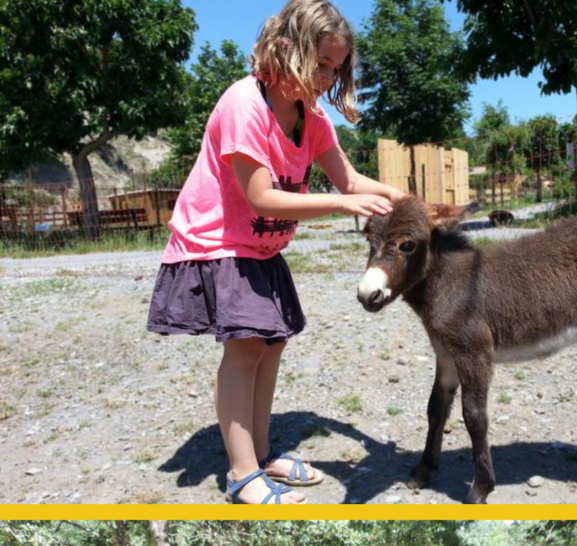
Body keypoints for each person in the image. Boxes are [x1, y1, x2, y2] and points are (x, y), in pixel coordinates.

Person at [146, 0, 403, 505]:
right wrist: (340, 202)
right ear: (286, 49)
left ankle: (260, 456)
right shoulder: (244, 103)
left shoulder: (313, 117)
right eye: (321, 64)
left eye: (336, 69)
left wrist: (404, 199)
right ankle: (242, 474)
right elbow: (260, 196)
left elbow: (348, 178)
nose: (328, 78)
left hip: (261, 246)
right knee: (244, 349)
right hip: (218, 241)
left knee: (272, 343)